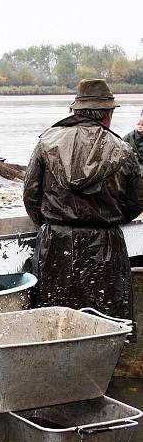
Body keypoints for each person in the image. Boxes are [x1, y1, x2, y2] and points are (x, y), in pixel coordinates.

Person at [23, 79, 143, 321]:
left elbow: (30, 195)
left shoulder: (47, 143)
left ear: (74, 111)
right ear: (107, 114)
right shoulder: (123, 149)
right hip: (106, 246)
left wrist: (51, 223)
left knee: (55, 321)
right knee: (106, 323)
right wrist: (108, 221)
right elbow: (136, 201)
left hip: (56, 244)